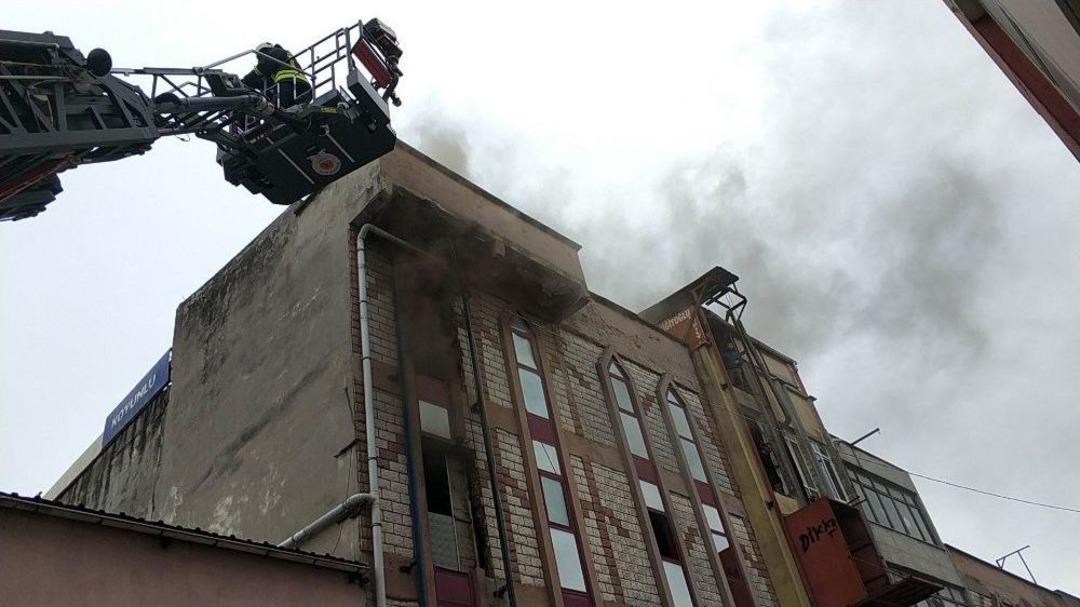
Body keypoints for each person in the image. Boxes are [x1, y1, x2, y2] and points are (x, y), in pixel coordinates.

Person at [242, 43, 311, 108]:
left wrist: (247, 78)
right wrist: (245, 83)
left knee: (275, 109)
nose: (261, 59)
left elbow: (266, 65)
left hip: (289, 83)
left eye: (261, 56)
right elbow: (263, 83)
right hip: (301, 87)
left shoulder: (277, 51)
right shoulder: (276, 68)